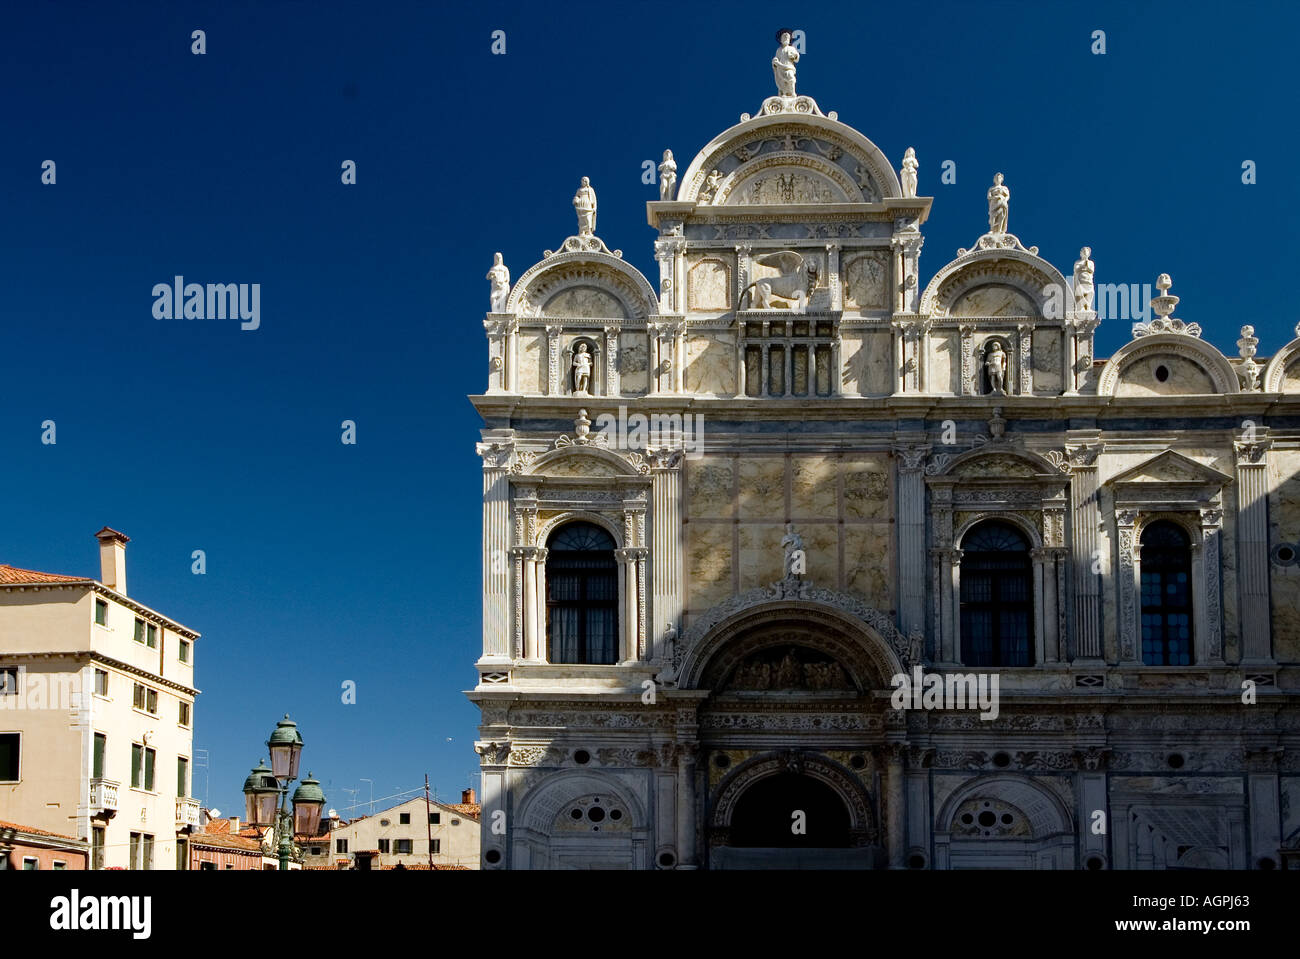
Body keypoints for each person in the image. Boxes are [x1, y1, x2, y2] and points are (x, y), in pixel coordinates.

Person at [772, 29, 799, 96]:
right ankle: (784, 93)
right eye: (784, 37)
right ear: (781, 40)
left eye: (787, 38)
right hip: (780, 68)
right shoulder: (779, 50)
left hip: (789, 67)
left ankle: (792, 92)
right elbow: (776, 59)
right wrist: (775, 62)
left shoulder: (792, 48)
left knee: (791, 78)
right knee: (782, 81)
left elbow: (796, 58)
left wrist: (793, 56)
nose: (786, 39)